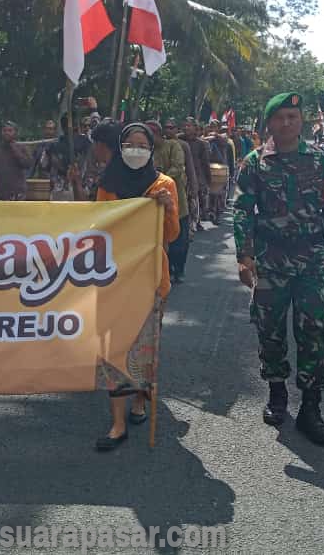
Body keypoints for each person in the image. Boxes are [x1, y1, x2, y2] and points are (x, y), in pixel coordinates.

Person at [234, 92, 324, 445]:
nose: (287, 123)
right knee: (270, 330)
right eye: (280, 117)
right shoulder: (254, 163)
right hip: (270, 262)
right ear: (269, 123)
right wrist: (244, 254)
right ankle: (277, 391)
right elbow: (242, 210)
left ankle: (311, 408)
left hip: (311, 261)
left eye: (293, 116)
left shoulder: (319, 160)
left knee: (314, 331)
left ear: (302, 121)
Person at [92, 122, 178, 451]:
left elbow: (171, 236)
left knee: (145, 348)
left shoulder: (164, 184)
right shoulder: (107, 184)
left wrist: (168, 210)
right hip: (114, 278)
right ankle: (117, 423)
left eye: (143, 145)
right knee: (113, 350)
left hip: (152, 279)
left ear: (152, 150)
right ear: (121, 147)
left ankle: (141, 399)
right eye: (130, 144)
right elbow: (100, 228)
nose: (136, 150)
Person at [148, 121, 188, 284]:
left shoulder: (173, 146)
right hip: (153, 202)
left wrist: (159, 180)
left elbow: (178, 167)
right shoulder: (147, 150)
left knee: (179, 237)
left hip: (174, 196)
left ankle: (178, 270)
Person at [0, 121, 32, 201]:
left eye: (10, 130)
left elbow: (28, 164)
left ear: (15, 133)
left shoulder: (22, 148)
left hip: (19, 194)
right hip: (2, 194)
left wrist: (15, 150)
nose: (7, 133)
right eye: (4, 130)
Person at [182, 117, 211, 232]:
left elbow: (205, 163)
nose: (186, 128)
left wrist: (208, 179)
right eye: (185, 125)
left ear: (195, 128)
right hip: (182, 175)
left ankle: (196, 221)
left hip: (197, 176)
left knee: (196, 199)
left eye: (189, 125)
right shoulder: (178, 140)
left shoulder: (201, 144)